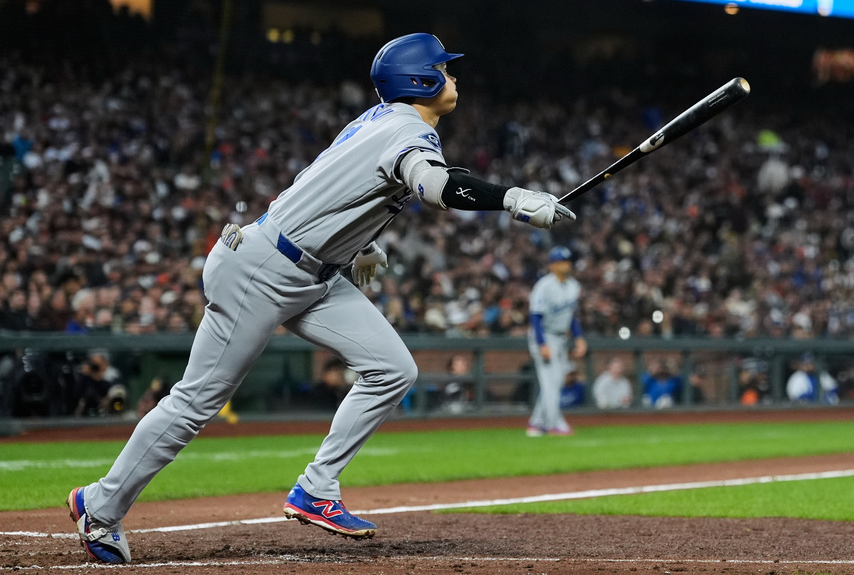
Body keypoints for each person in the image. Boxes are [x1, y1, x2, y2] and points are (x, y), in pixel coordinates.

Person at [65, 33, 576, 564]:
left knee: (393, 369)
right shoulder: (405, 130)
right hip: (262, 270)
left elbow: (325, 186)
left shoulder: (379, 122)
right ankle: (99, 509)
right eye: (444, 69)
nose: (454, 77)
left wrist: (364, 243)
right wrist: (513, 198)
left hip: (313, 271)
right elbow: (435, 187)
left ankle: (317, 488)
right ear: (420, 80)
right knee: (196, 403)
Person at [526, 246, 587, 436]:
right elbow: (535, 316)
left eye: (567, 262)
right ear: (552, 265)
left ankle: (536, 423)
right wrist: (542, 343)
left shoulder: (573, 286)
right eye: (561, 262)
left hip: (561, 337)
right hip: (544, 334)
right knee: (550, 382)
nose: (565, 265)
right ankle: (554, 423)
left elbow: (572, 316)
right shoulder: (544, 286)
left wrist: (579, 338)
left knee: (557, 381)